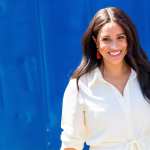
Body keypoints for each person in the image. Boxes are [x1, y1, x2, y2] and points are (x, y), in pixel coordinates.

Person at [60, 6, 150, 150]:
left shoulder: (146, 75)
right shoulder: (80, 86)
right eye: (106, 39)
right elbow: (71, 145)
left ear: (129, 39)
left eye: (120, 37)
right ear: (96, 42)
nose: (114, 46)